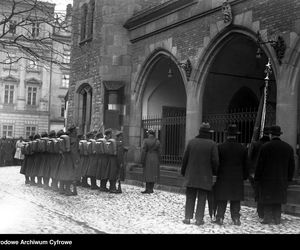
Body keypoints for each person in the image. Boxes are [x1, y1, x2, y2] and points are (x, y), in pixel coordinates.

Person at [255, 125, 295, 225]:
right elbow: (291, 166)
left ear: (271, 135)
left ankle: (267, 217)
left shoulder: (265, 147)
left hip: (267, 178)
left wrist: (257, 177)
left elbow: (260, 164)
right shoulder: (288, 148)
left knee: (268, 198)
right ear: (279, 135)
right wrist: (289, 178)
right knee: (278, 198)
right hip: (282, 178)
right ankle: (277, 218)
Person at [181, 123, 219, 226]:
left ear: (199, 131)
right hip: (205, 176)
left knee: (190, 197)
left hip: (191, 175)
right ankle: (199, 219)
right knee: (202, 197)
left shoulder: (191, 142)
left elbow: (185, 159)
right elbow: (215, 161)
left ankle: (187, 218)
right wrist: (215, 172)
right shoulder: (212, 144)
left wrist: (183, 171)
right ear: (208, 133)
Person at [213, 124, 249, 226]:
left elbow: (217, 163)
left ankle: (220, 217)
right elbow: (246, 165)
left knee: (222, 198)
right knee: (235, 199)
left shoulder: (220, 147)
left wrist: (216, 173)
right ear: (236, 135)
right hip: (237, 178)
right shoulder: (242, 148)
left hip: (223, 177)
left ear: (226, 135)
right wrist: (244, 176)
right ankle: (236, 218)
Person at [248, 127, 271, 220]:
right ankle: (265, 211)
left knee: (258, 192)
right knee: (266, 192)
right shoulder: (270, 144)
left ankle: (260, 211)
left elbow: (250, 157)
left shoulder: (256, 144)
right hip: (268, 172)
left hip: (255, 171)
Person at [140, 130, 161, 194]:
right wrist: (159, 159)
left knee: (147, 173)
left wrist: (142, 160)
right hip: (155, 157)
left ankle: (147, 189)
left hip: (148, 157)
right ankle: (151, 189)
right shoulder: (157, 141)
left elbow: (143, 151)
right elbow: (159, 152)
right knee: (153, 173)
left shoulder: (145, 141)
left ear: (149, 134)